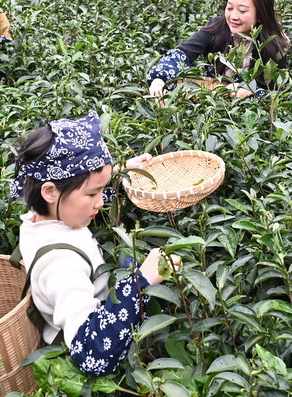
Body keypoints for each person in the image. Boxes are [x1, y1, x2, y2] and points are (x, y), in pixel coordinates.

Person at [12, 111, 180, 376]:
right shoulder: (62, 267)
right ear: (50, 190)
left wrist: (120, 176)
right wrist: (142, 280)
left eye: (102, 190)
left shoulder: (40, 216)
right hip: (96, 329)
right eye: (93, 193)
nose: (100, 202)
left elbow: (76, 191)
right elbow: (93, 355)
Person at [147, 0, 290, 99]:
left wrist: (249, 91)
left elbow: (274, 94)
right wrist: (159, 80)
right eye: (229, 8)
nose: (233, 16)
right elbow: (181, 54)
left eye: (242, 11)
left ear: (261, 14)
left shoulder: (275, 45)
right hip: (213, 99)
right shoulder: (216, 28)